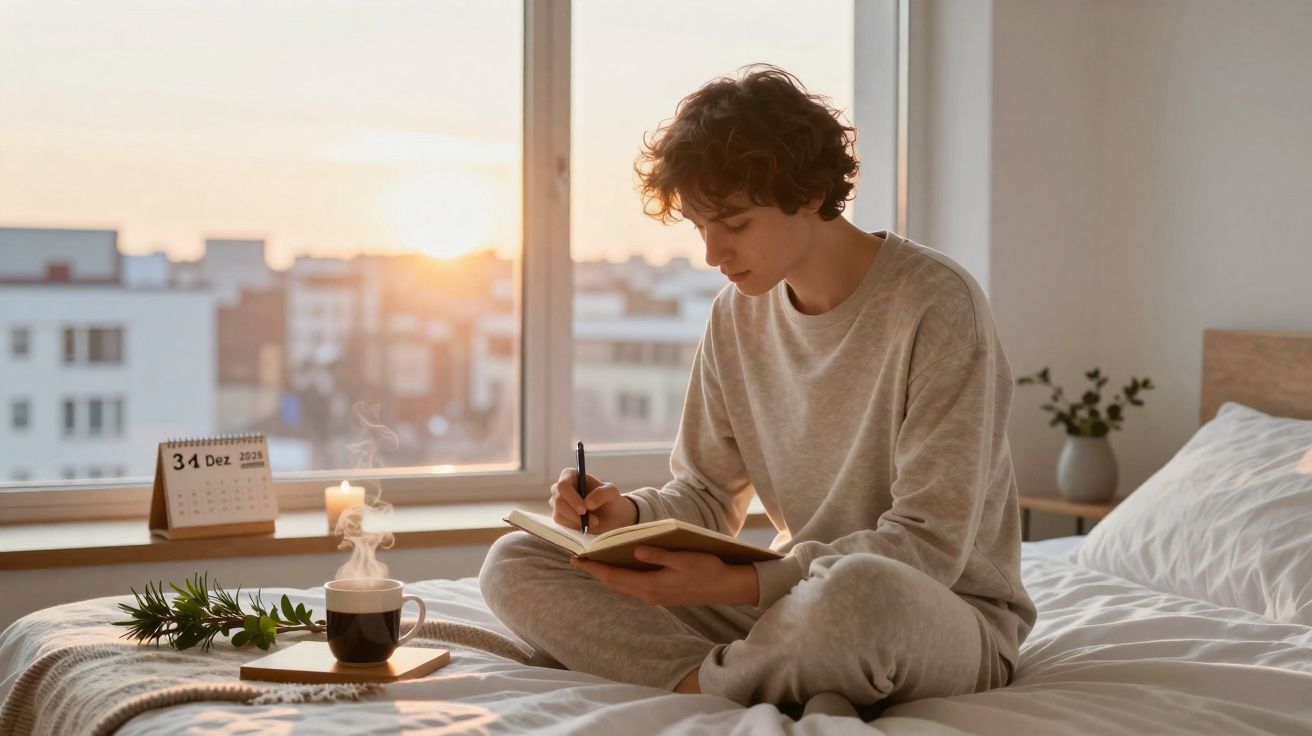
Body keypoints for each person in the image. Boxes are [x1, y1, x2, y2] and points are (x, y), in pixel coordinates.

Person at [478, 64, 1036, 714]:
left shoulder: (938, 305)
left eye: (735, 223)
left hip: (935, 612)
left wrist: (748, 582)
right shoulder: (735, 314)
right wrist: (624, 519)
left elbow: (929, 545)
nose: (713, 252)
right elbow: (708, 495)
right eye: (699, 226)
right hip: (790, 597)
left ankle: (734, 677)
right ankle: (732, 678)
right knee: (518, 561)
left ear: (812, 192)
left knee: (858, 597)